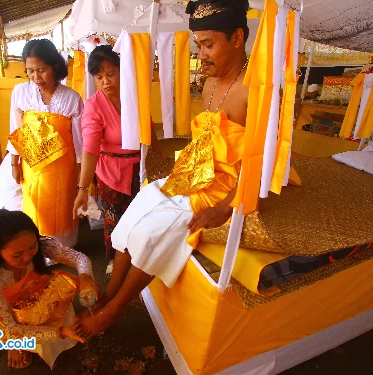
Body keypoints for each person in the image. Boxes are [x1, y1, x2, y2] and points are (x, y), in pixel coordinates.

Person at [75, 0, 250, 339]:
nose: (202, 55)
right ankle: (111, 292)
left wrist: (225, 208)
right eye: (198, 45)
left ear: (238, 37)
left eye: (209, 44)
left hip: (225, 183)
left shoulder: (256, 90)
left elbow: (260, 163)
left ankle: (116, 307)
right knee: (134, 214)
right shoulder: (211, 85)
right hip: (192, 171)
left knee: (155, 228)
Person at [0, 210, 98, 368]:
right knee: (11, 335)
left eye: (32, 247)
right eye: (17, 255)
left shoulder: (42, 245)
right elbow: (7, 330)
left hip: (32, 292)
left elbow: (79, 258)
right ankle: (15, 346)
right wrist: (60, 332)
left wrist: (85, 277)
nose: (28, 257)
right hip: (2, 314)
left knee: (62, 284)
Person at [72, 45, 159, 269]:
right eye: (99, 77)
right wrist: (82, 189)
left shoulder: (135, 97)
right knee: (116, 220)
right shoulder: (93, 106)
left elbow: (150, 132)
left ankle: (140, 261)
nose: (105, 81)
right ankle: (114, 260)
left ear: (122, 71)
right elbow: (90, 149)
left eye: (110, 74)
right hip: (111, 172)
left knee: (143, 216)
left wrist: (158, 163)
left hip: (140, 168)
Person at [7, 39, 83, 248]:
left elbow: (79, 139)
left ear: (55, 67)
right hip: (32, 166)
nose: (35, 77)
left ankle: (65, 249)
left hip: (64, 165)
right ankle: (37, 249)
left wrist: (80, 171)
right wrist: (15, 163)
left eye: (41, 70)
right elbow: (15, 130)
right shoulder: (21, 92)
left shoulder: (71, 98)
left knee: (62, 205)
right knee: (34, 204)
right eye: (30, 70)